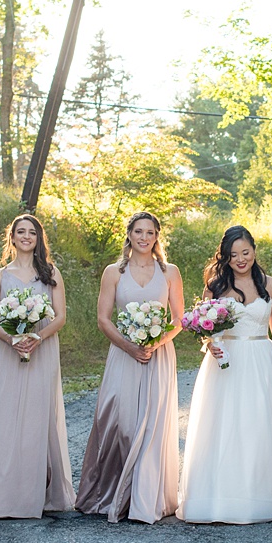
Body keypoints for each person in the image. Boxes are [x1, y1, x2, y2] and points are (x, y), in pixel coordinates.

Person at [179, 226, 272, 523]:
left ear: (254, 251)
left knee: (263, 423)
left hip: (262, 359)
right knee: (225, 425)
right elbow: (206, 328)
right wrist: (211, 346)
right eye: (233, 255)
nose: (240, 259)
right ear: (225, 257)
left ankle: (269, 494)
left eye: (245, 253)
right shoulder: (216, 286)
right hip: (227, 363)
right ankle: (223, 497)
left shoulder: (270, 285)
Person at [0, 214, 75, 519]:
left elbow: (60, 316)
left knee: (37, 418)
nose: (26, 236)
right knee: (4, 416)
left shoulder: (51, 274)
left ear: (39, 239)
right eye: (20, 232)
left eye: (32, 232)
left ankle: (32, 496)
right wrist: (13, 340)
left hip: (43, 349)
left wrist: (36, 337)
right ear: (11, 238)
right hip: (6, 352)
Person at [76, 211, 185, 523]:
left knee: (152, 426)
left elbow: (178, 320)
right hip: (123, 354)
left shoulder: (169, 272)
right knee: (121, 422)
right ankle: (111, 494)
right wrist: (129, 346)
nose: (144, 238)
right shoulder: (113, 272)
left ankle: (145, 499)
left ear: (157, 236)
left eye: (150, 232)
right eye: (139, 231)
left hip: (158, 355)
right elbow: (103, 318)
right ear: (129, 234)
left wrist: (154, 343)